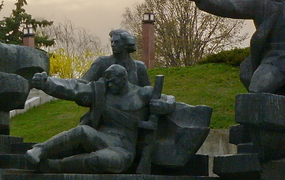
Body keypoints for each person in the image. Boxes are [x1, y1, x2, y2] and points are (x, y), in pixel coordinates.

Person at [26, 65, 174, 173]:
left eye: (113, 82)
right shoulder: (102, 91)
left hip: (122, 150)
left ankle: (55, 166)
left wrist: (165, 106)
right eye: (108, 82)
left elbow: (170, 99)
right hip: (100, 137)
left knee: (100, 160)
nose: (110, 85)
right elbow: (74, 88)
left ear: (124, 79)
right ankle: (40, 150)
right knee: (83, 131)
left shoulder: (143, 93)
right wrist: (47, 83)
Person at [79, 29, 150, 87]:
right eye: (112, 42)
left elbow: (148, 92)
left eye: (116, 42)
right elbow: (83, 83)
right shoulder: (101, 62)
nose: (112, 45)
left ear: (126, 44)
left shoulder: (139, 67)